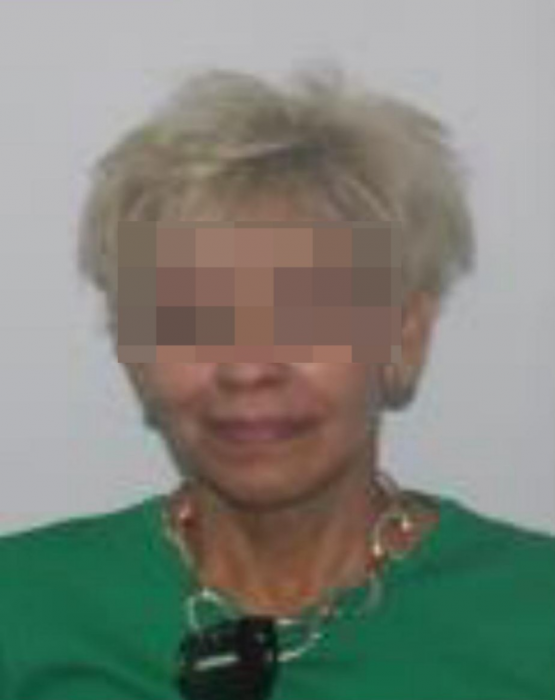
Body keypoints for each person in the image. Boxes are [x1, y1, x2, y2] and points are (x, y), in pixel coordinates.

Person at [0, 66, 553, 700]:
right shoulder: (22, 611)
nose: (247, 369)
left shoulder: (535, 617)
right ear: (134, 349)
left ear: (405, 337)